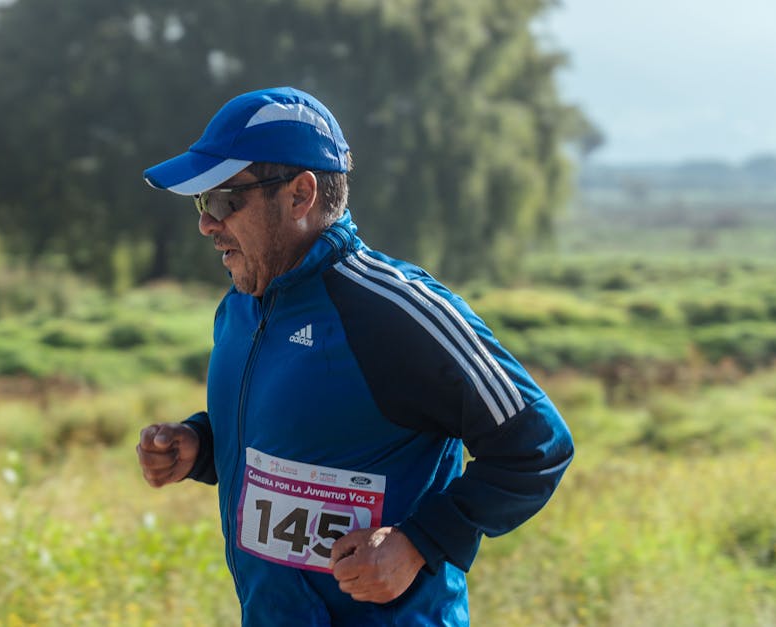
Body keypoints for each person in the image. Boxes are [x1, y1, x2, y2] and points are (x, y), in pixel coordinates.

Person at [135, 86, 573, 626]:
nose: (207, 223)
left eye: (225, 200)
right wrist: (201, 445)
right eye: (203, 204)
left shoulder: (396, 312)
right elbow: (298, 438)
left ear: (300, 195)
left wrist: (417, 542)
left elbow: (538, 445)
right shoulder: (241, 309)